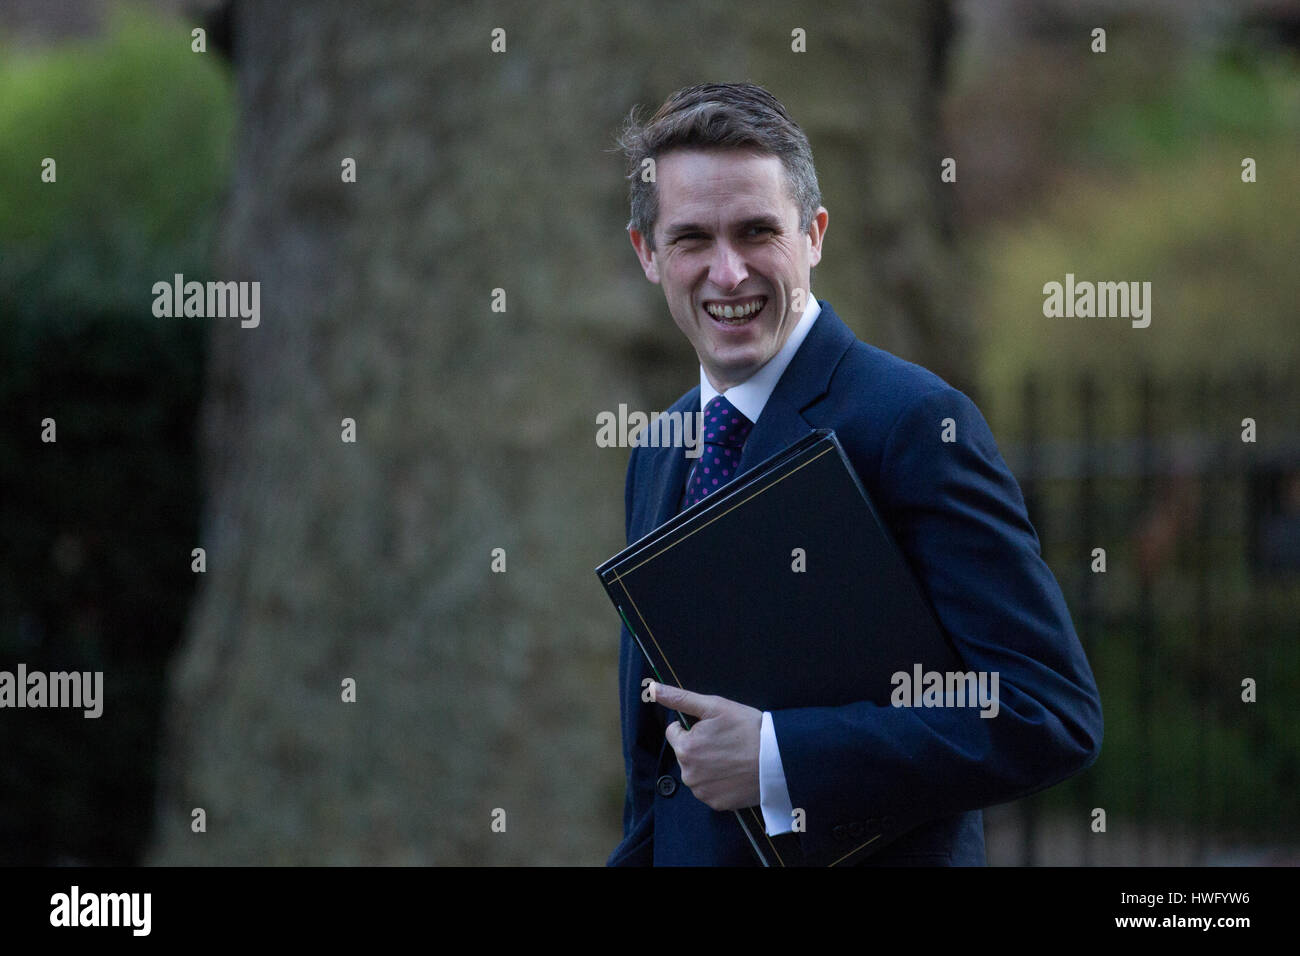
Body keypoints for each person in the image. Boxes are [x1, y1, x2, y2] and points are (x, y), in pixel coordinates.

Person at [609, 83, 1102, 866]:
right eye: (692, 239)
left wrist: (779, 755)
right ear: (647, 254)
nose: (728, 273)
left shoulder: (915, 422)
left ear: (814, 235)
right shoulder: (660, 447)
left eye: (757, 231)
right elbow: (661, 776)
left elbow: (1049, 711)